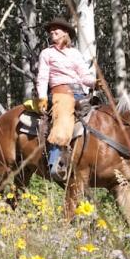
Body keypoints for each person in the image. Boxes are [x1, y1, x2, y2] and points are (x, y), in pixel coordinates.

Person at [35, 18, 95, 175]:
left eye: (57, 30)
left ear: (65, 33)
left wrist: (96, 82)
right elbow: (42, 77)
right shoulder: (47, 53)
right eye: (51, 31)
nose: (52, 32)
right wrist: (42, 96)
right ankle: (55, 164)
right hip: (60, 93)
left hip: (81, 93)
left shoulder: (75, 53)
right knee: (62, 120)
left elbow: (85, 77)